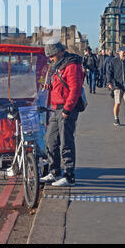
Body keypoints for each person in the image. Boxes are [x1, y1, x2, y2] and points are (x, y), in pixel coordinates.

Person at [40, 40, 84, 187]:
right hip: (57, 108)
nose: (50, 59)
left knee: (66, 142)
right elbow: (61, 84)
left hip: (67, 109)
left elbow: (75, 89)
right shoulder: (59, 65)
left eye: (52, 55)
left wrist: (67, 109)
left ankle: (69, 176)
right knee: (50, 140)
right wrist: (50, 86)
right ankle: (54, 172)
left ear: (59, 52)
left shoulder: (72, 65)